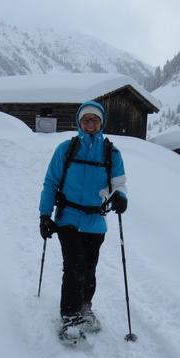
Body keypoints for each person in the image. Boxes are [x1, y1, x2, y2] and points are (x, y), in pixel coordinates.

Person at [38, 100, 128, 343]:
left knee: (89, 267)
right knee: (74, 265)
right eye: (86, 119)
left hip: (95, 220)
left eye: (94, 120)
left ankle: (85, 305)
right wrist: (45, 215)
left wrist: (121, 197)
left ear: (101, 123)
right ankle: (69, 316)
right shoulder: (66, 149)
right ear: (79, 122)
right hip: (68, 217)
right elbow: (50, 183)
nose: (90, 123)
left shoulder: (111, 153)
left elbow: (119, 184)